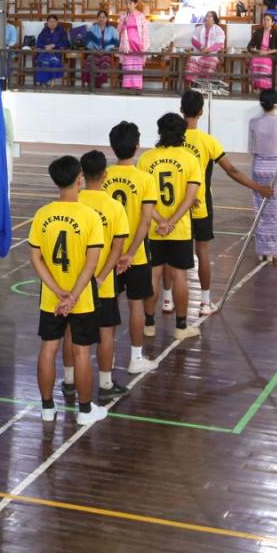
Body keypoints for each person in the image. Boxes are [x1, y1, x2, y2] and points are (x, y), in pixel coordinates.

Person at [30, 155, 107, 425]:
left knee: (48, 348)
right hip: (82, 298)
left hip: (51, 298)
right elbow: (91, 264)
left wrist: (58, 291)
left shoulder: (42, 215)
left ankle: (47, 408)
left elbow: (36, 259)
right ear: (79, 180)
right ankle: (84, 411)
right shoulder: (90, 216)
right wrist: (73, 295)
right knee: (82, 351)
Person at [181, 89, 269, 309]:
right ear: (201, 112)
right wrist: (258, 187)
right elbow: (232, 171)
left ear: (181, 110)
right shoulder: (208, 141)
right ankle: (204, 302)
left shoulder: (171, 139)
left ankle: (167, 299)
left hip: (174, 207)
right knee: (202, 251)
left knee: (174, 254)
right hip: (200, 205)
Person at [73, 150, 134, 405]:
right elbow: (117, 249)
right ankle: (106, 384)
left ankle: (69, 381)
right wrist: (101, 277)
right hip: (104, 283)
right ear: (105, 175)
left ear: (82, 175)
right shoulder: (114, 206)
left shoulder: (75, 202)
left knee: (72, 333)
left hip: (73, 282)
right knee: (106, 332)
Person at [102, 121, 159, 374]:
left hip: (107, 255)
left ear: (112, 146)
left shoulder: (103, 177)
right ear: (137, 145)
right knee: (136, 305)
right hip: (135, 255)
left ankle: (109, 357)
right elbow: (146, 221)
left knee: (109, 305)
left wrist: (117, 254)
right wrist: (130, 253)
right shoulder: (145, 179)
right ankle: (136, 358)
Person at [138, 113, 200, 339]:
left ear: (159, 131)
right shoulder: (189, 159)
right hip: (179, 229)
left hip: (154, 229)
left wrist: (160, 221)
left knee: (153, 275)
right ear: (182, 134)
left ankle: (149, 324)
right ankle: (181, 327)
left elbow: (144, 199)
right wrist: (172, 223)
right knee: (180, 276)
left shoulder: (146, 159)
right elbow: (190, 198)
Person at [248, 88, 277, 262]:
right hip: (276, 169)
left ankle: (262, 251)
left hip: (259, 167)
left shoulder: (253, 122)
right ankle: (274, 251)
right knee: (276, 211)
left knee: (260, 211)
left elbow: (251, 149)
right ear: (276, 104)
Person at [184, 10, 224, 89]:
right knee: (192, 60)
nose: (206, 18)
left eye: (209, 16)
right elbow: (193, 40)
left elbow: (219, 43)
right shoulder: (199, 28)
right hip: (199, 53)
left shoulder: (219, 30)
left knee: (211, 62)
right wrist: (202, 47)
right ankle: (192, 86)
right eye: (206, 16)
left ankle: (203, 85)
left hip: (212, 54)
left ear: (214, 20)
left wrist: (209, 49)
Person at [118, 0, 149, 91]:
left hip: (138, 44)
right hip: (127, 44)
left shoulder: (140, 16)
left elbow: (145, 31)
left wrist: (144, 44)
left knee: (136, 66)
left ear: (135, 4)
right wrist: (123, 22)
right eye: (126, 3)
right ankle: (127, 85)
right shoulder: (123, 15)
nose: (128, 5)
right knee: (128, 66)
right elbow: (119, 29)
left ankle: (137, 85)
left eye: (130, 3)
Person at [81, 8, 118, 88]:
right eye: (100, 17)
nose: (102, 19)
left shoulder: (112, 29)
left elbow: (116, 42)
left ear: (107, 19)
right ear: (97, 18)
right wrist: (95, 50)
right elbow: (87, 41)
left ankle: (98, 84)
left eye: (104, 17)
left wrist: (105, 50)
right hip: (94, 52)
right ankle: (91, 82)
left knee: (104, 61)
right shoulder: (93, 28)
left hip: (107, 53)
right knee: (89, 60)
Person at [33, 14, 69, 86]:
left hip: (56, 53)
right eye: (50, 21)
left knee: (52, 60)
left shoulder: (61, 31)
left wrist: (54, 45)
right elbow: (38, 42)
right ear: (47, 23)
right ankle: (44, 81)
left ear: (57, 22)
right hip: (45, 52)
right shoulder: (44, 31)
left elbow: (65, 43)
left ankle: (52, 80)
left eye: (54, 21)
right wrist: (45, 46)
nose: (52, 23)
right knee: (41, 59)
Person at [247, 14, 277, 91]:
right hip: (259, 54)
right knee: (254, 60)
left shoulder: (276, 32)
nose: (265, 21)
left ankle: (266, 87)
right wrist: (258, 51)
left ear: (272, 22)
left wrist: (267, 52)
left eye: (268, 20)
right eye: (264, 20)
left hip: (270, 55)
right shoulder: (258, 32)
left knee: (264, 62)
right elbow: (249, 46)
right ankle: (257, 85)